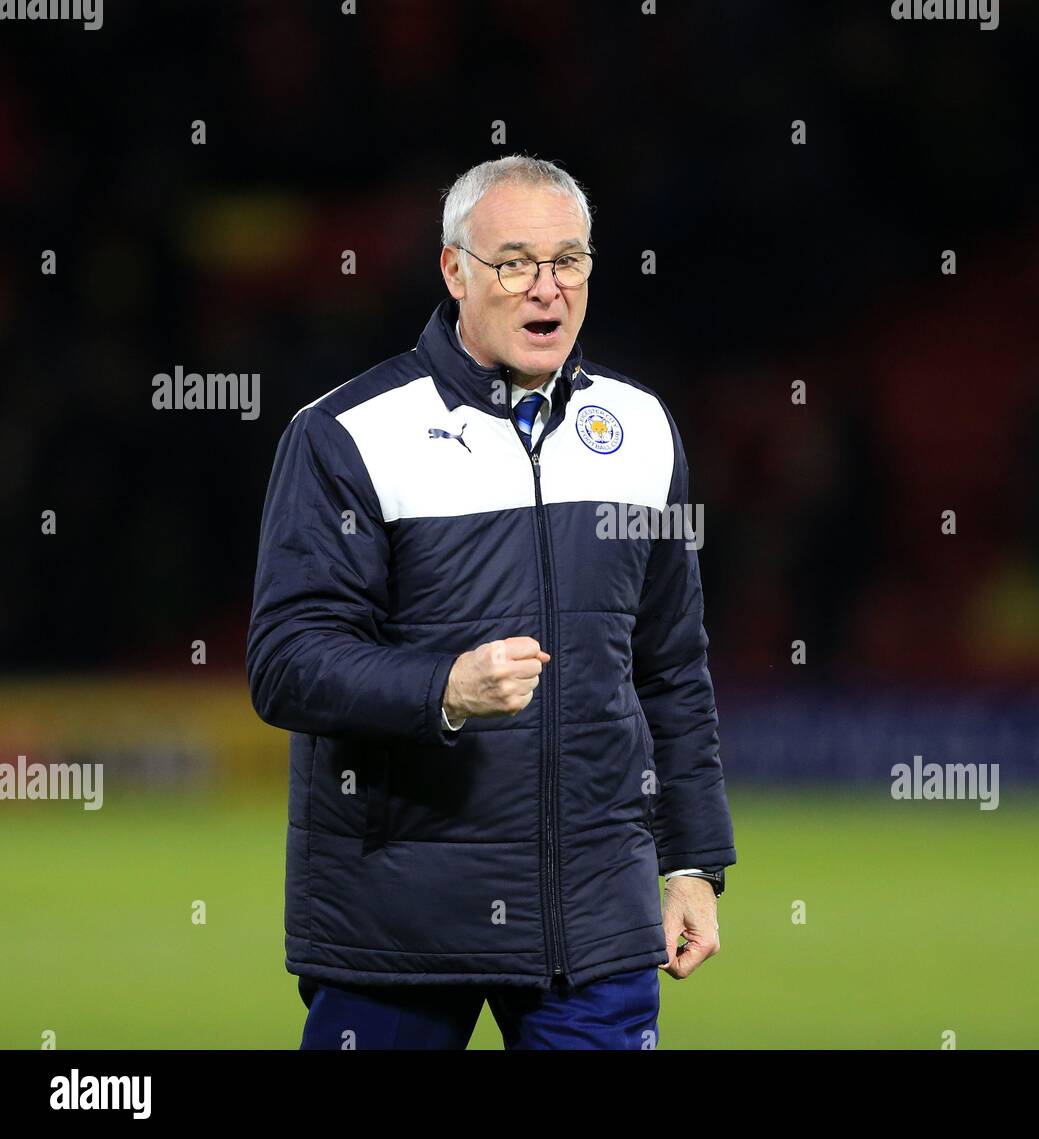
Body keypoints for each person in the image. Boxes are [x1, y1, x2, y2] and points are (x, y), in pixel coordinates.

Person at [246, 154, 736, 1050]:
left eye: (570, 260)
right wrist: (443, 686)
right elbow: (286, 664)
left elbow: (671, 665)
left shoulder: (642, 429)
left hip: (593, 924)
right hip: (398, 923)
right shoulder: (346, 434)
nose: (547, 288)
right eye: (514, 262)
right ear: (454, 270)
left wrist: (695, 861)